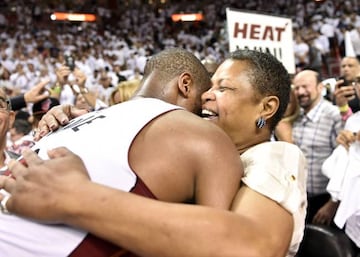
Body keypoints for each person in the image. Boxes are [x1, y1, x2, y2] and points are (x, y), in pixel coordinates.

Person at [1, 49, 307, 257]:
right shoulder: (194, 147)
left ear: (266, 107)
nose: (207, 95)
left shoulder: (277, 155)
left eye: (224, 88)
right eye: (209, 86)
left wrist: (77, 196)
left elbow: (251, 247)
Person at [292, 69, 343, 226]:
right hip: (298, 199)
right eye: (297, 88)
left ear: (320, 87)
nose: (300, 92)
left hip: (324, 201)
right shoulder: (294, 116)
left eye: (305, 86)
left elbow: (345, 162)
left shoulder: (334, 115)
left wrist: (333, 203)